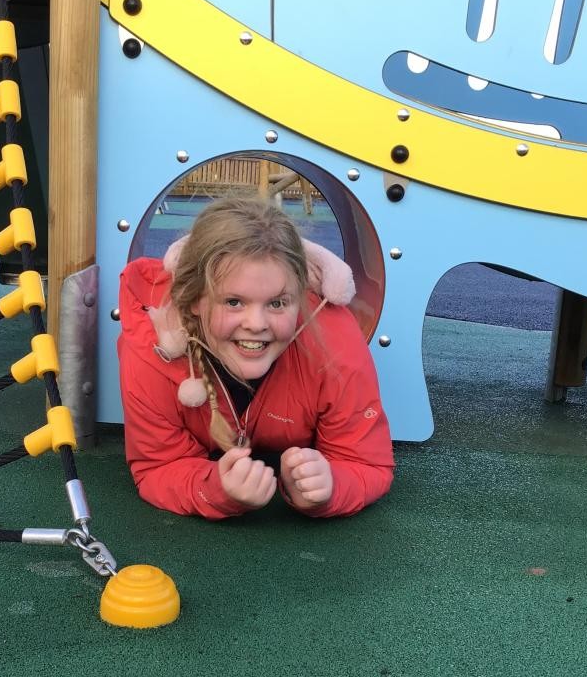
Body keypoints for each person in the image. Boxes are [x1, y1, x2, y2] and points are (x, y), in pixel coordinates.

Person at [117, 196, 394, 519]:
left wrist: (331, 485)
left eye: (277, 303)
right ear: (193, 300)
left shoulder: (335, 346)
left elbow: (365, 462)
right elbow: (159, 466)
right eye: (233, 302)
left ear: (300, 297)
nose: (256, 324)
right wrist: (215, 489)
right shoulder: (153, 349)